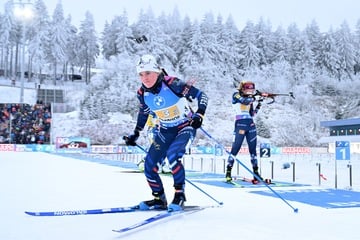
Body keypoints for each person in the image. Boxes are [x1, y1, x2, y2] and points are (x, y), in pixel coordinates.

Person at [124, 54, 208, 212]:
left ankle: (179, 195)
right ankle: (159, 199)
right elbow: (144, 113)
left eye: (148, 73)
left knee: (173, 156)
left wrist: (199, 114)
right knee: (149, 165)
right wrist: (135, 133)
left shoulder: (172, 83)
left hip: (185, 127)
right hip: (165, 130)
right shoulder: (142, 93)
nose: (145, 78)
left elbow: (202, 96)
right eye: (141, 74)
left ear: (156, 71)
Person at [225, 81, 262, 183]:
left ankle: (256, 174)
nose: (251, 91)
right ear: (243, 89)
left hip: (250, 124)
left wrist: (259, 105)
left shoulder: (250, 100)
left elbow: (252, 114)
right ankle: (228, 173)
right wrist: (255, 98)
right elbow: (244, 101)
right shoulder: (236, 95)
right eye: (249, 89)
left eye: (252, 90)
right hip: (240, 124)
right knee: (235, 149)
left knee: (253, 151)